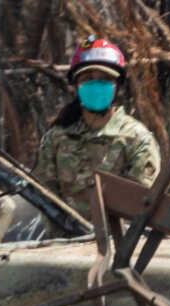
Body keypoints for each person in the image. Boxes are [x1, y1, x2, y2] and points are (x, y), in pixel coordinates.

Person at [30, 37, 162, 207]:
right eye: (87, 79)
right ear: (75, 86)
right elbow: (44, 198)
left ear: (117, 85)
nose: (96, 85)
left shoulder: (137, 139)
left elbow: (140, 202)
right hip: (65, 233)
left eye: (105, 79)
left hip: (123, 233)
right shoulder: (56, 138)